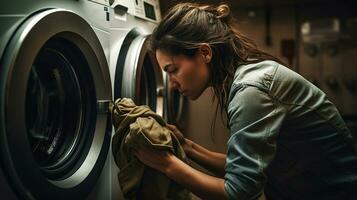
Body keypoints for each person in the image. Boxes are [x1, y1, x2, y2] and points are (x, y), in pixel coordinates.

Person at [133, 3, 357, 200]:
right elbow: (244, 169)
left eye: (173, 70)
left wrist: (167, 165)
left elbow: (239, 192)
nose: (171, 83)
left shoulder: (250, 90)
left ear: (204, 52)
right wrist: (187, 147)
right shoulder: (245, 78)